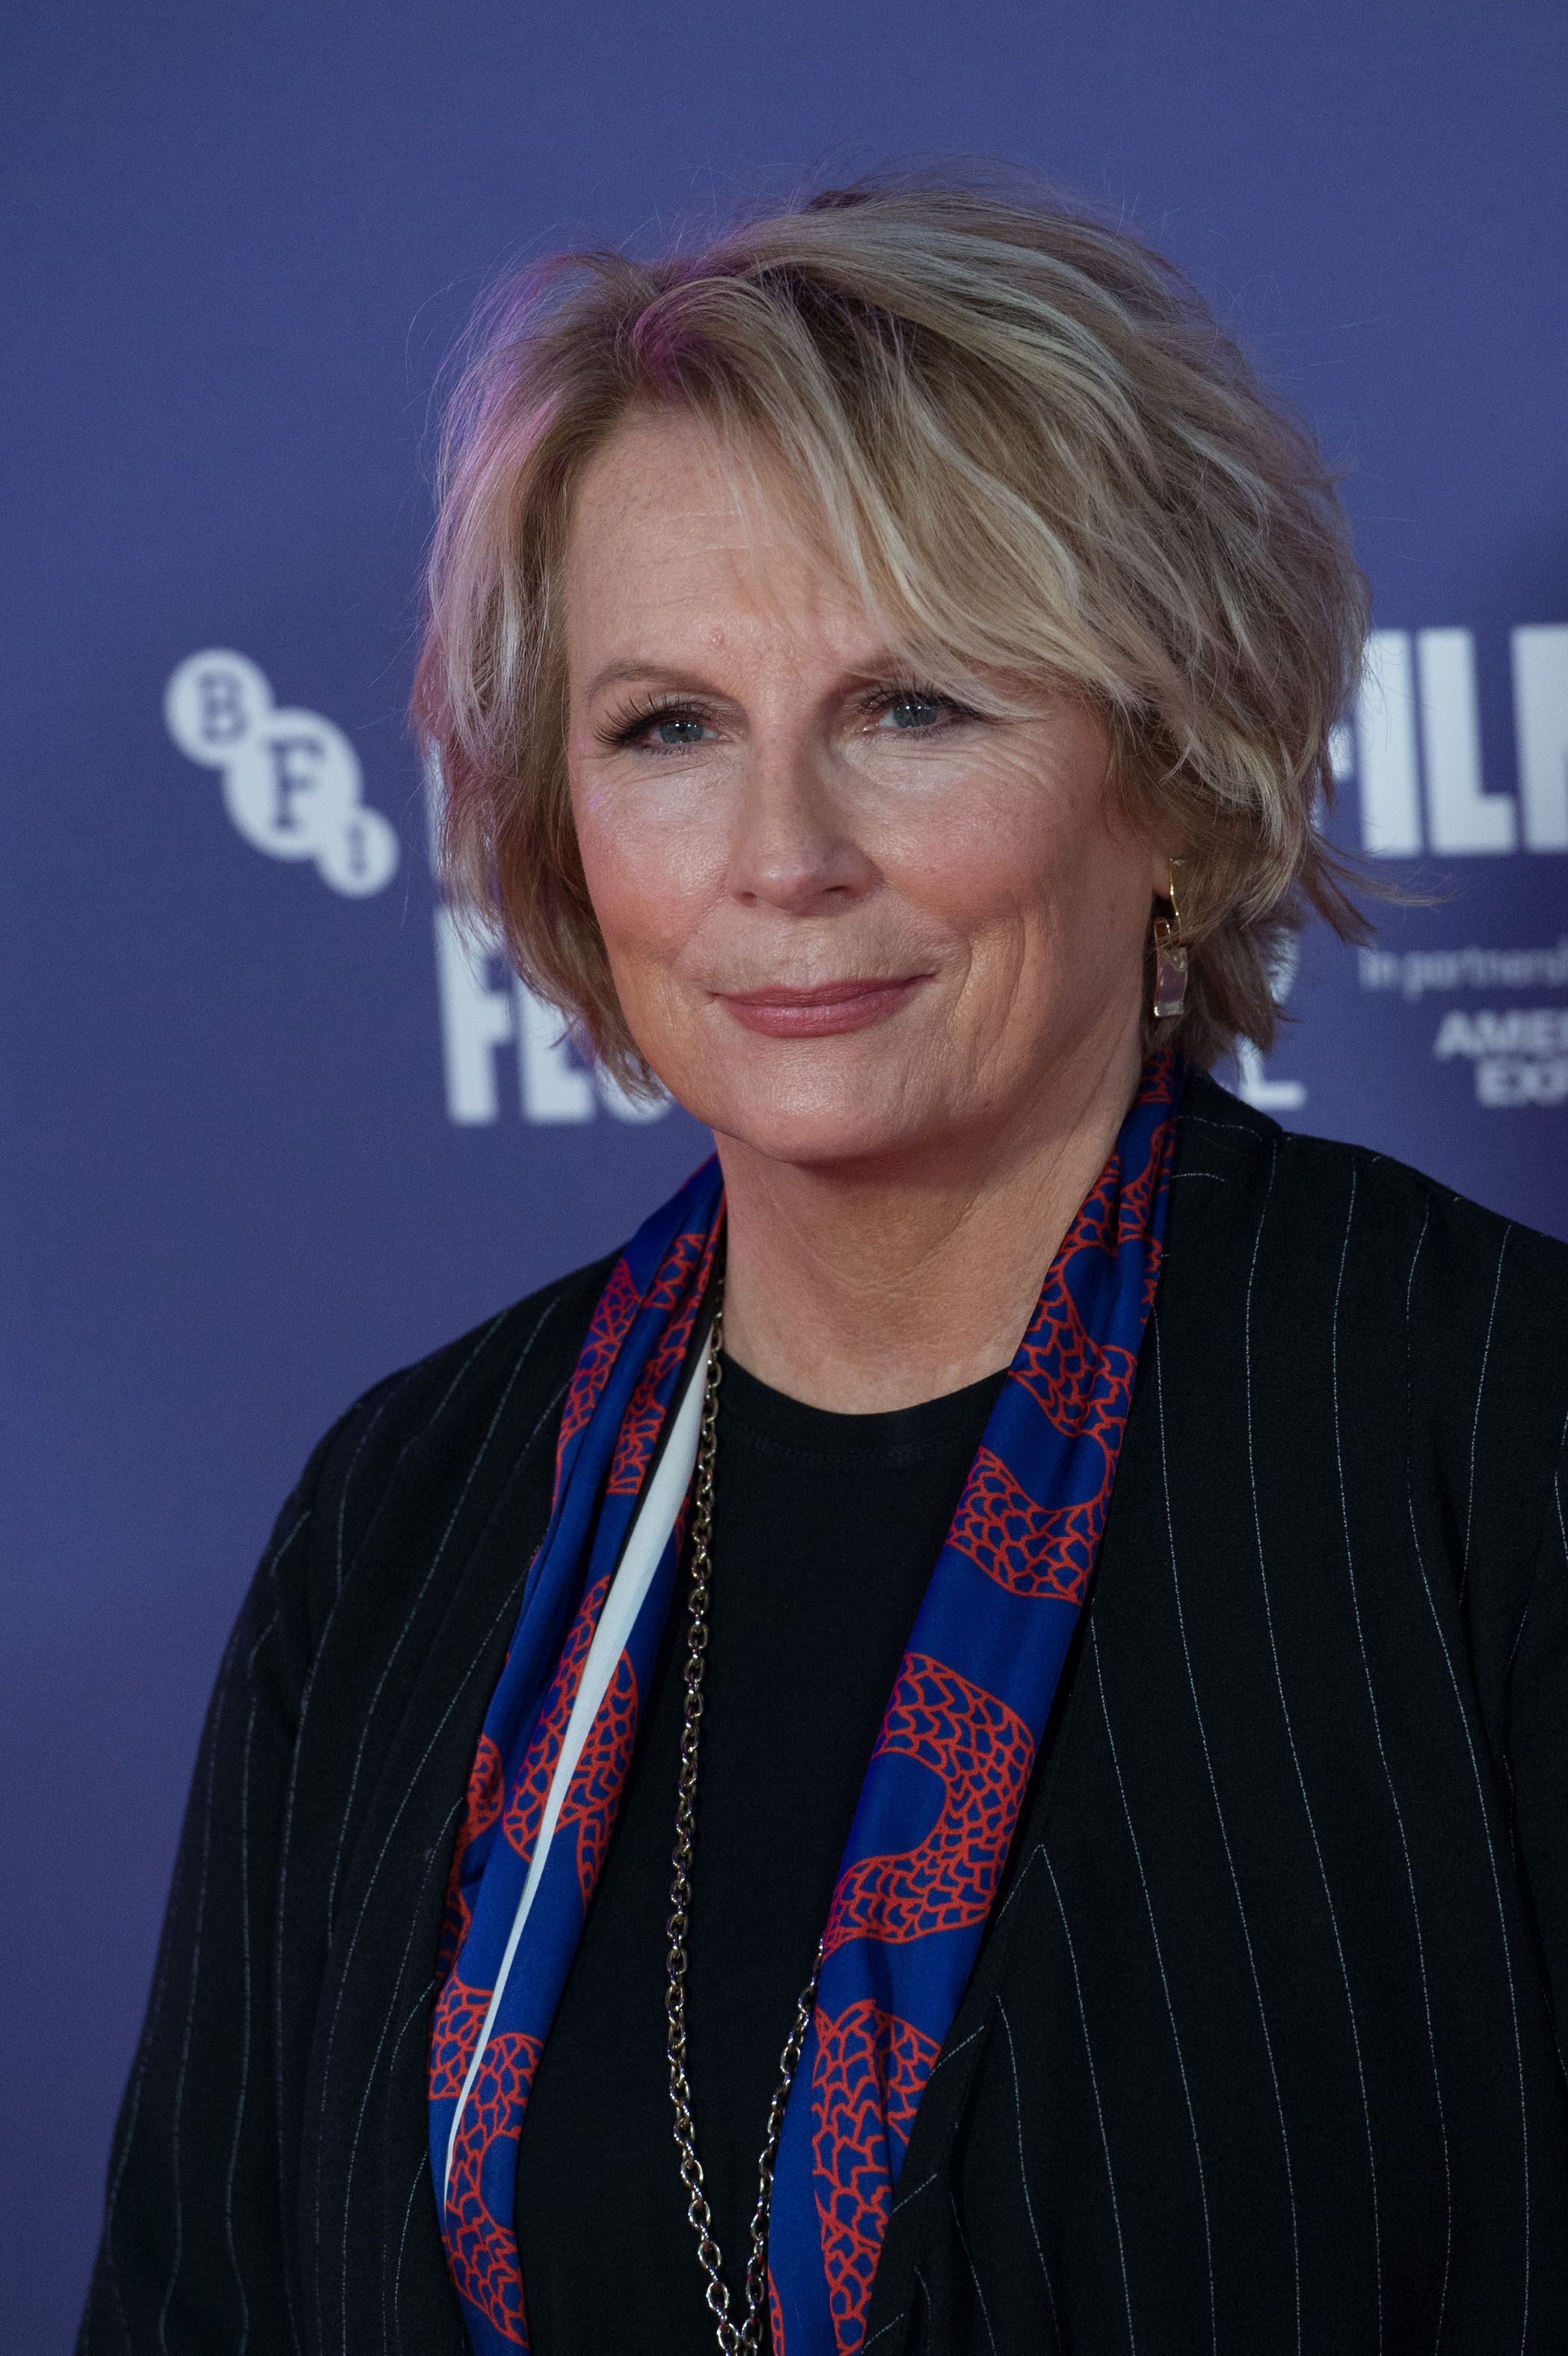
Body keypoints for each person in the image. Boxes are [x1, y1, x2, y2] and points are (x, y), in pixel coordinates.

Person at [81, 176, 1568, 2356]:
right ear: (559, 835)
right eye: (665, 728)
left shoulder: (1500, 1437)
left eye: (912, 709)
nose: (780, 858)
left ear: (1166, 775)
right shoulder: (408, 1517)